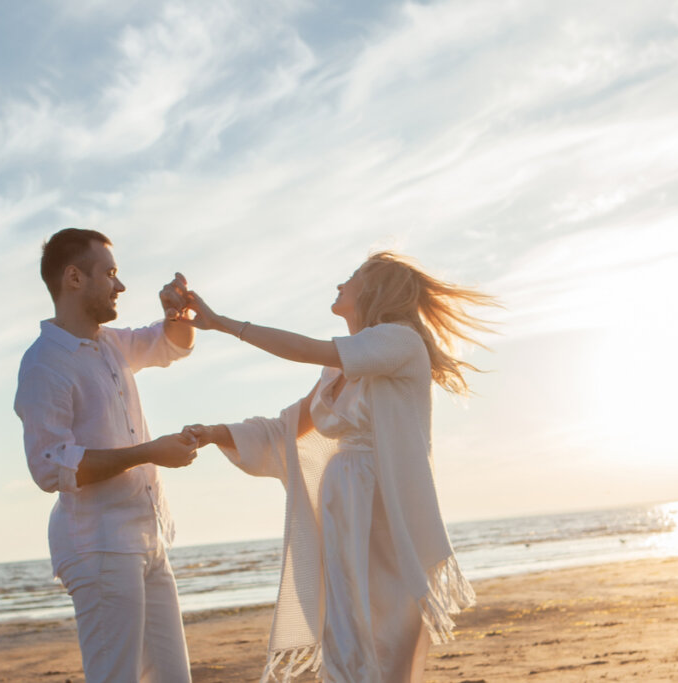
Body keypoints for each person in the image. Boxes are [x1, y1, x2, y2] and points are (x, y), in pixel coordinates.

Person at [182, 251, 496, 682]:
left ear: (376, 290)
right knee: (345, 637)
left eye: (351, 277)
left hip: (383, 508)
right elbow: (286, 428)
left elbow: (304, 349)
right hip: (343, 508)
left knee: (383, 639)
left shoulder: (399, 341)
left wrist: (221, 323)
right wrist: (217, 432)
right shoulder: (340, 368)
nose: (339, 284)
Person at [14, 228, 199, 683]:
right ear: (73, 278)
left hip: (148, 536)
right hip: (98, 544)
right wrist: (147, 453)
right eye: (111, 274)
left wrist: (178, 311)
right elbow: (50, 465)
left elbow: (175, 343)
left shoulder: (110, 344)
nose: (120, 286)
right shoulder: (44, 365)